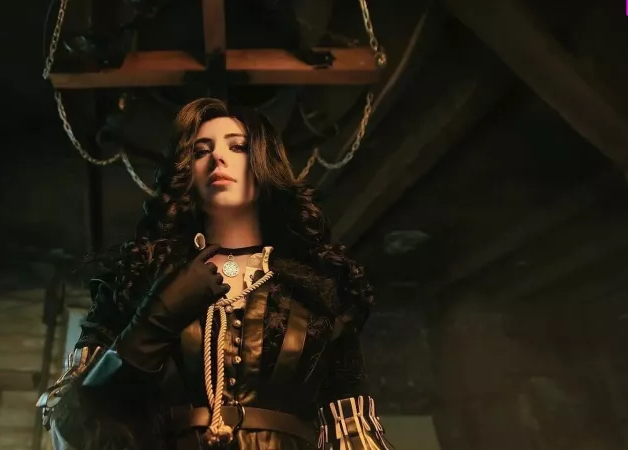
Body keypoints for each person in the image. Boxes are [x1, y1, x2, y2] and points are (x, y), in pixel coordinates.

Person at [37, 98, 394, 450]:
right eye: (200, 151)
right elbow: (71, 422)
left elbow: (353, 431)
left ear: (263, 162)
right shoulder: (137, 280)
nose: (217, 158)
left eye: (237, 147)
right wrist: (157, 319)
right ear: (186, 172)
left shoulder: (319, 290)